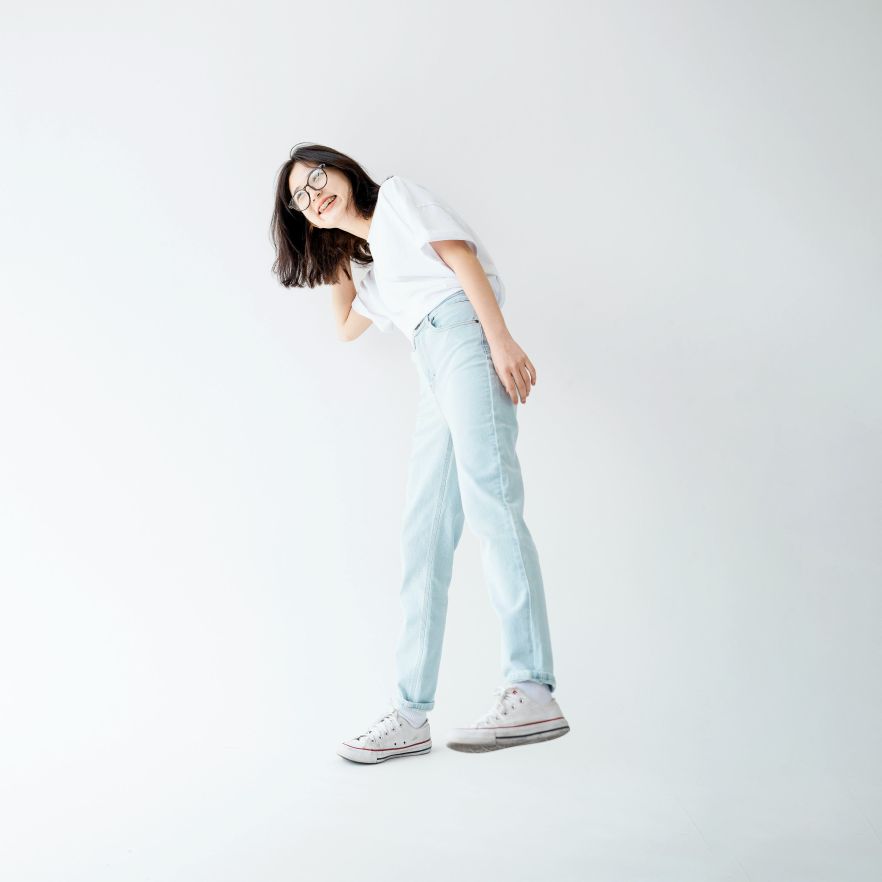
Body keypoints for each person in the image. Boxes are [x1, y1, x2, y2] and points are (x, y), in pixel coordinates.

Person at [270, 143, 570, 763]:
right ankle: (410, 712)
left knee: (491, 502)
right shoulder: (375, 269)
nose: (314, 196)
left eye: (317, 178)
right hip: (430, 363)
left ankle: (533, 687)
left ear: (343, 170)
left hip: (464, 334)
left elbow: (460, 259)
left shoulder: (398, 198)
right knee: (423, 536)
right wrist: (335, 257)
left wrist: (500, 339)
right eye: (300, 198)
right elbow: (345, 328)